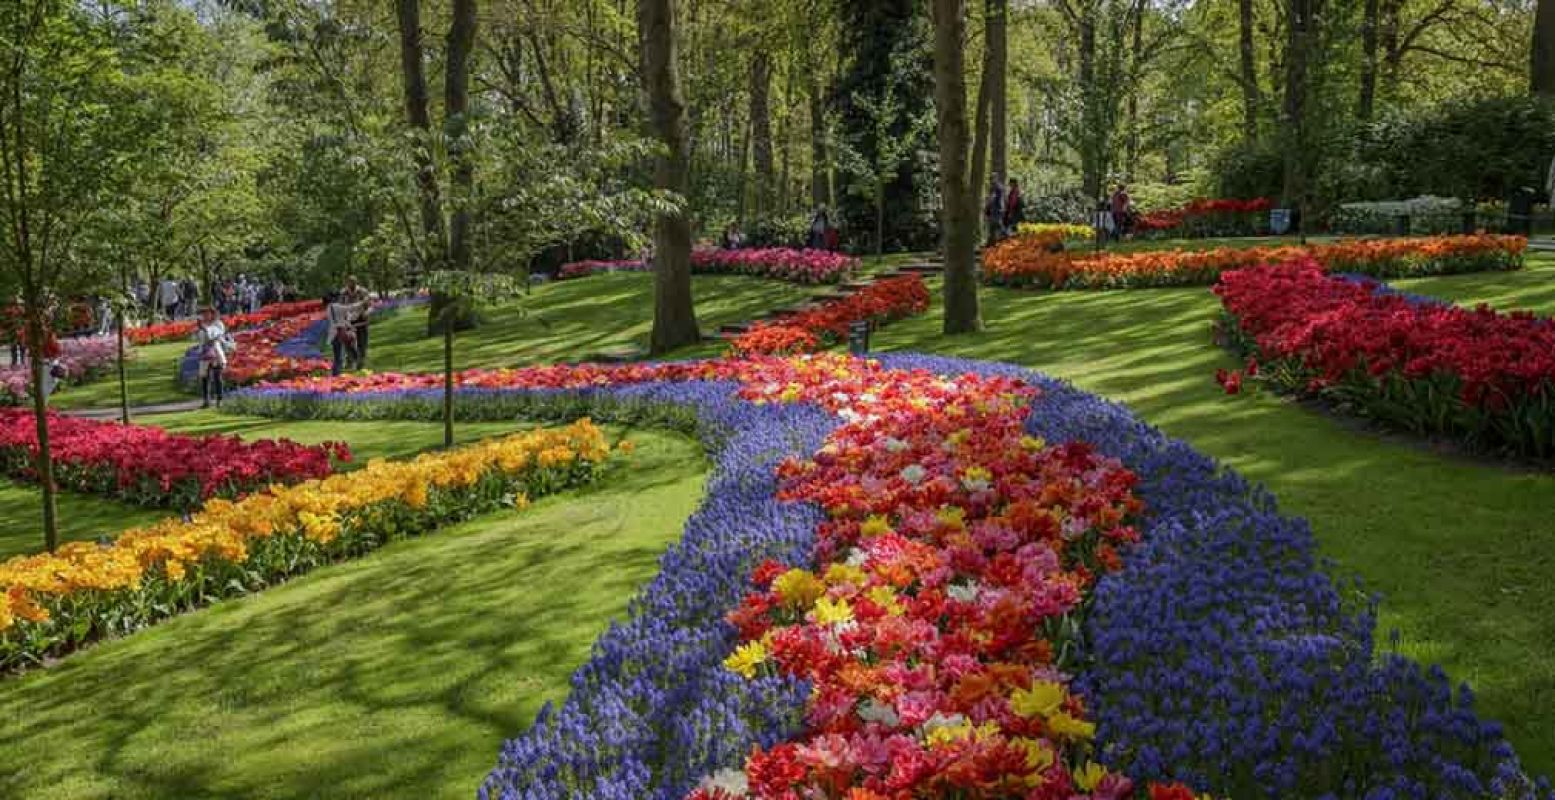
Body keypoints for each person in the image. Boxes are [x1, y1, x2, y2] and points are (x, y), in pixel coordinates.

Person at [193, 306, 230, 409]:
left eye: (207, 313)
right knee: (205, 377)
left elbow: (214, 335)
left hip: (216, 352)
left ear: (212, 314)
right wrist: (198, 332)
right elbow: (198, 338)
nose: (205, 315)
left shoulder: (218, 324)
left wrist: (204, 329)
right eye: (203, 314)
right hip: (204, 353)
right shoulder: (201, 325)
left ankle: (220, 399)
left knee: (217, 377)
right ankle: (206, 400)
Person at [326, 292, 366, 376]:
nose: (341, 299)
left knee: (342, 355)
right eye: (340, 297)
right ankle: (335, 375)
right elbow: (350, 308)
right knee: (339, 357)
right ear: (334, 298)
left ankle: (337, 373)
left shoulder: (332, 307)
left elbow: (348, 317)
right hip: (338, 334)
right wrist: (363, 302)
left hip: (339, 333)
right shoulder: (335, 306)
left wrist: (352, 319)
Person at [339, 275, 371, 364]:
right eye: (349, 282)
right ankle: (352, 357)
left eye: (352, 282)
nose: (350, 285)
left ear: (356, 282)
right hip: (349, 322)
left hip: (362, 320)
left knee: (362, 342)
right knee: (347, 340)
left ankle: (361, 359)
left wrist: (366, 313)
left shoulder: (363, 292)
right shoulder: (343, 293)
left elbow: (370, 306)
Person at [983, 180, 1006, 246]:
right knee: (994, 226)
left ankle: (1003, 235)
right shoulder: (999, 190)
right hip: (997, 210)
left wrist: (987, 208)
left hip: (995, 211)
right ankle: (991, 241)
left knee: (994, 225)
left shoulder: (996, 190)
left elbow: (991, 201)